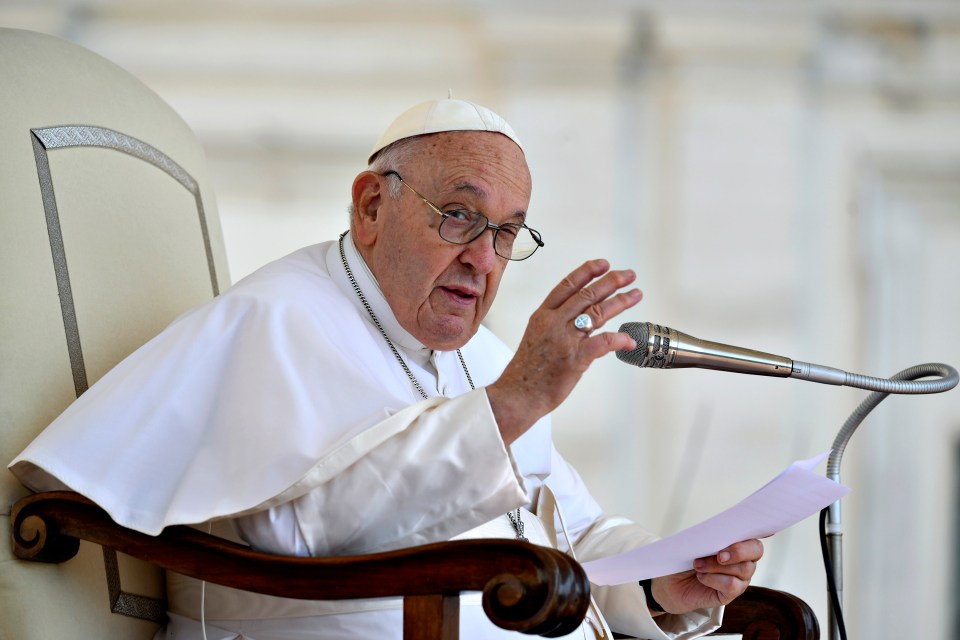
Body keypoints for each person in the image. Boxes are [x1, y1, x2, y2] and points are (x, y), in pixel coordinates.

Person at [10, 97, 763, 639]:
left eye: (505, 233)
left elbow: (571, 529)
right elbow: (301, 533)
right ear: (371, 206)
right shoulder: (275, 318)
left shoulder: (487, 356)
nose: (481, 258)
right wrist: (511, 404)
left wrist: (665, 583)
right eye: (459, 216)